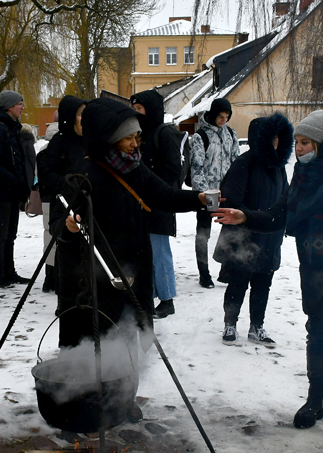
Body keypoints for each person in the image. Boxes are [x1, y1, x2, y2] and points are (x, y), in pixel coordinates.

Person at [213, 110, 323, 431]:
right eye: (298, 142)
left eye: (306, 142)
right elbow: (277, 215)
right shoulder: (303, 179)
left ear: (321, 143)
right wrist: (245, 216)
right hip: (317, 274)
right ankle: (314, 400)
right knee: (317, 336)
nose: (300, 148)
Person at [50, 97, 209, 420]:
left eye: (137, 136)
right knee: (94, 339)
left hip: (131, 274)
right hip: (93, 277)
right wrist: (68, 225)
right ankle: (87, 403)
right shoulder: (84, 174)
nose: (136, 144)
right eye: (128, 138)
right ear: (108, 139)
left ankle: (122, 399)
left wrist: (200, 199)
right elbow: (59, 225)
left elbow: (163, 195)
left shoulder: (134, 168)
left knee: (126, 337)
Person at [213, 113, 293, 346]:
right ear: (261, 137)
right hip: (244, 237)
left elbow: (286, 198)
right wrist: (249, 218)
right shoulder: (244, 163)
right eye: (272, 137)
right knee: (238, 282)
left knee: (263, 284)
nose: (276, 141)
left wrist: (280, 222)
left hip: (270, 236)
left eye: (279, 137)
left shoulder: (278, 167)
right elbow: (231, 199)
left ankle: (257, 326)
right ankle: (230, 324)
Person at [130, 89, 182, 319]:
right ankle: (148, 296)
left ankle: (167, 299)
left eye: (139, 109)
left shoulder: (164, 133)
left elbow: (173, 170)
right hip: (142, 204)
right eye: (134, 109)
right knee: (145, 254)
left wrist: (154, 188)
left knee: (160, 253)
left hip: (159, 204)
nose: (136, 113)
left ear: (150, 110)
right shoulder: (140, 134)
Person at [37, 95, 86, 310]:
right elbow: (46, 172)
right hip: (63, 205)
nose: (85, 118)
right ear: (70, 117)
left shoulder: (91, 139)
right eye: (81, 114)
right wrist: (67, 185)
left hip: (86, 205)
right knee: (64, 248)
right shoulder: (60, 141)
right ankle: (64, 297)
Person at [190, 98, 241, 288]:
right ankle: (204, 273)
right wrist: (205, 193)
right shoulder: (200, 136)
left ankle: (226, 270)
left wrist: (236, 187)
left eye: (227, 116)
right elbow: (196, 168)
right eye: (220, 116)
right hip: (207, 194)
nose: (223, 120)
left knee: (231, 230)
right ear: (213, 115)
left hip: (228, 192)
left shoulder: (231, 134)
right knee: (203, 233)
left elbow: (236, 163)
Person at [0, 90, 31, 288]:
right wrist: (11, 180)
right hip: (3, 192)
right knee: (2, 234)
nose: (22, 108)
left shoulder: (12, 128)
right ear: (10, 106)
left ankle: (9, 272)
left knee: (10, 234)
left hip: (12, 191)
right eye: (20, 104)